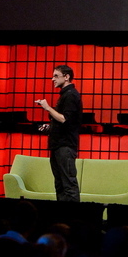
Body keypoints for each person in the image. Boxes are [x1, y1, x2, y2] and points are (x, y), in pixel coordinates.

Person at [36, 64, 82, 202]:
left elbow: (64, 119)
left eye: (56, 76)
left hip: (65, 146)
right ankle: (61, 213)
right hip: (58, 146)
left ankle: (74, 215)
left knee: (68, 185)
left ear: (66, 77)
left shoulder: (71, 95)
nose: (52, 79)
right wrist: (50, 127)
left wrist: (47, 108)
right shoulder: (65, 95)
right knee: (60, 184)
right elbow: (62, 122)